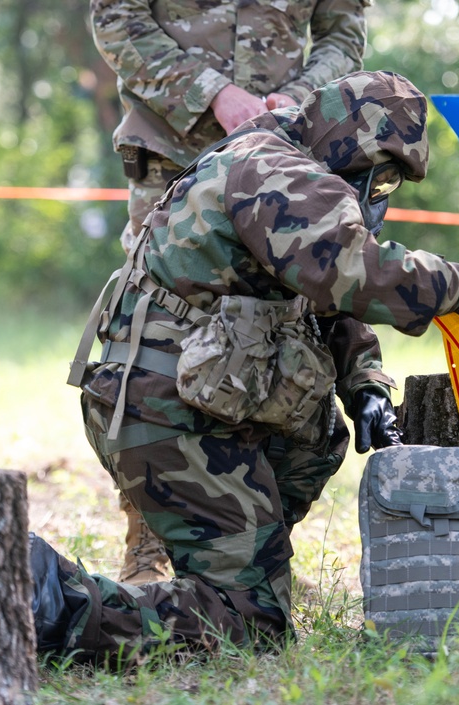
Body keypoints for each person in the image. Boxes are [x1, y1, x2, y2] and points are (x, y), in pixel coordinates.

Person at [31, 70, 459, 663]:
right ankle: (50, 600)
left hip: (186, 402)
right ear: (347, 140)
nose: (379, 190)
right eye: (380, 172)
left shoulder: (281, 160)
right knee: (249, 625)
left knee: (317, 438)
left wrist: (365, 382)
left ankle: (226, 569)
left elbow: (322, 300)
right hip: (168, 414)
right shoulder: (274, 170)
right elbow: (353, 274)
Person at [90, 0, 370, 584]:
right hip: (177, 146)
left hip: (292, 147)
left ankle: (256, 535)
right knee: (160, 327)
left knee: (289, 321)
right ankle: (150, 540)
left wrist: (305, 96)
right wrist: (212, 93)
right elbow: (117, 19)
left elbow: (343, 30)